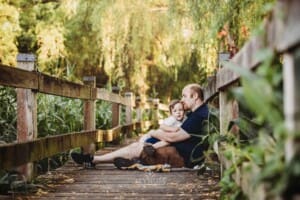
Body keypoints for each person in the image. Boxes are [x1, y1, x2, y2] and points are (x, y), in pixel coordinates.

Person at [71, 83, 208, 168]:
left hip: (181, 155)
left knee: (139, 148)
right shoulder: (196, 113)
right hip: (176, 148)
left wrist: (154, 132)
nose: (182, 100)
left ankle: (95, 160)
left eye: (184, 96)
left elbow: (173, 137)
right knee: (137, 147)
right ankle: (95, 159)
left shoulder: (198, 115)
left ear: (195, 96)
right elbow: (174, 134)